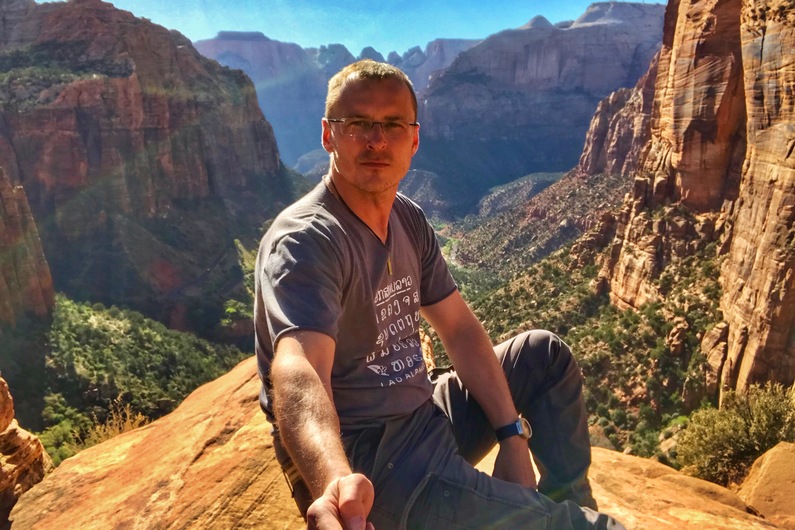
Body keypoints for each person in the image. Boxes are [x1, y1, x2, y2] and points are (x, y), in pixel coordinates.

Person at [254, 59, 625, 530]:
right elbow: (297, 369)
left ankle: (561, 503)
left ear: (414, 139)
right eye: (357, 125)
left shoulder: (407, 218)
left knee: (544, 354)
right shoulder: (307, 239)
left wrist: (512, 437)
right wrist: (336, 483)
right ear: (328, 135)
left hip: (424, 414)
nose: (376, 140)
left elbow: (459, 327)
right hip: (368, 458)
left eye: (392, 125)